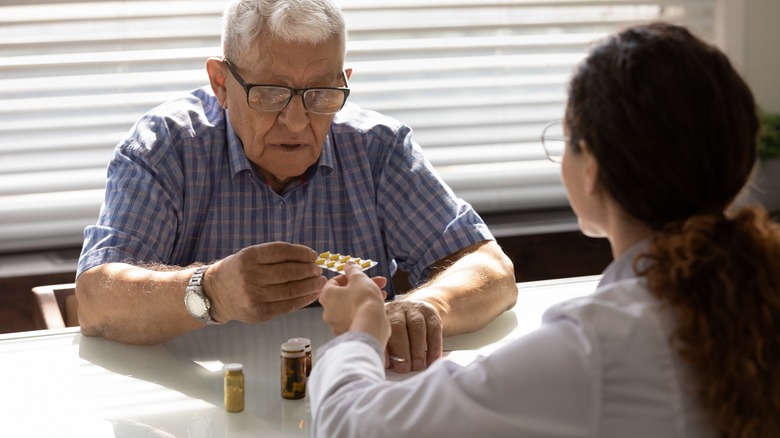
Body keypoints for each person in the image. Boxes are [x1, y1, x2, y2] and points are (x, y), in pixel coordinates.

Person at [310, 22, 780, 437]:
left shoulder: (594, 348)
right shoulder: (751, 289)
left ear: (591, 166)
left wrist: (360, 331)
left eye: (567, 139)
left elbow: (352, 426)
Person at [74, 0, 517, 373]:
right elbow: (96, 300)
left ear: (344, 83)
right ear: (221, 83)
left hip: (352, 400)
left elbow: (492, 271)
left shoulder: (377, 148)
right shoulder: (166, 147)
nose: (296, 121)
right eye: (270, 93)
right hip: (199, 402)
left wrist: (425, 307)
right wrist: (211, 291)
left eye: (321, 93)